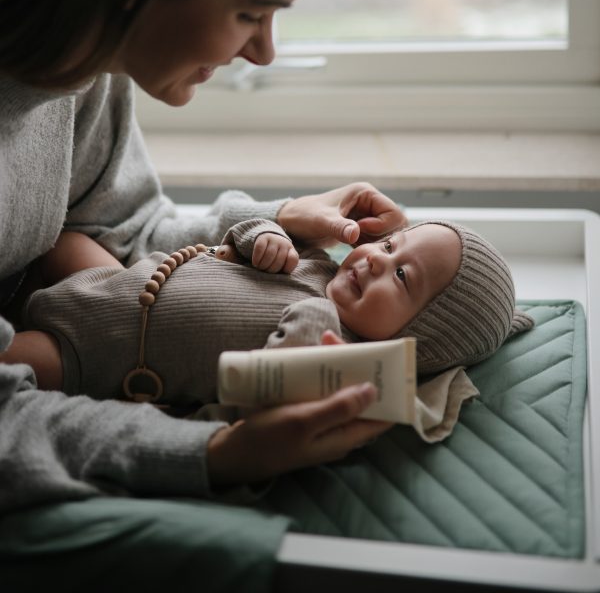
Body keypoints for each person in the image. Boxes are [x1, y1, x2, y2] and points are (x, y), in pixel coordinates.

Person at [0, 0, 409, 513]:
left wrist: (277, 220)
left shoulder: (86, 72)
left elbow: (122, 230)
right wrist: (216, 453)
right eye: (250, 15)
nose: (264, 55)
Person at [1, 208, 534, 435]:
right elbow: (241, 233)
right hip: (122, 279)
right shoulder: (320, 262)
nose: (375, 258)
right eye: (390, 244)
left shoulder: (332, 353)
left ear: (417, 335)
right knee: (62, 238)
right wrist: (265, 237)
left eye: (401, 277)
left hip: (96, 349)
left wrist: (314, 334)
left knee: (16, 358)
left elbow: (266, 389)